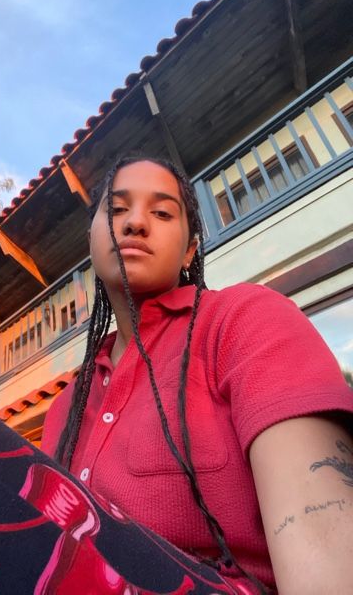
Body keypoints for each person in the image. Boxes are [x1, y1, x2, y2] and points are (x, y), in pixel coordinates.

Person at [41, 155, 353, 594]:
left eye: (162, 212)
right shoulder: (65, 406)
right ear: (91, 238)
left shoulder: (244, 321)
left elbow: (323, 535)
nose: (134, 223)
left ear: (190, 249)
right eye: (116, 209)